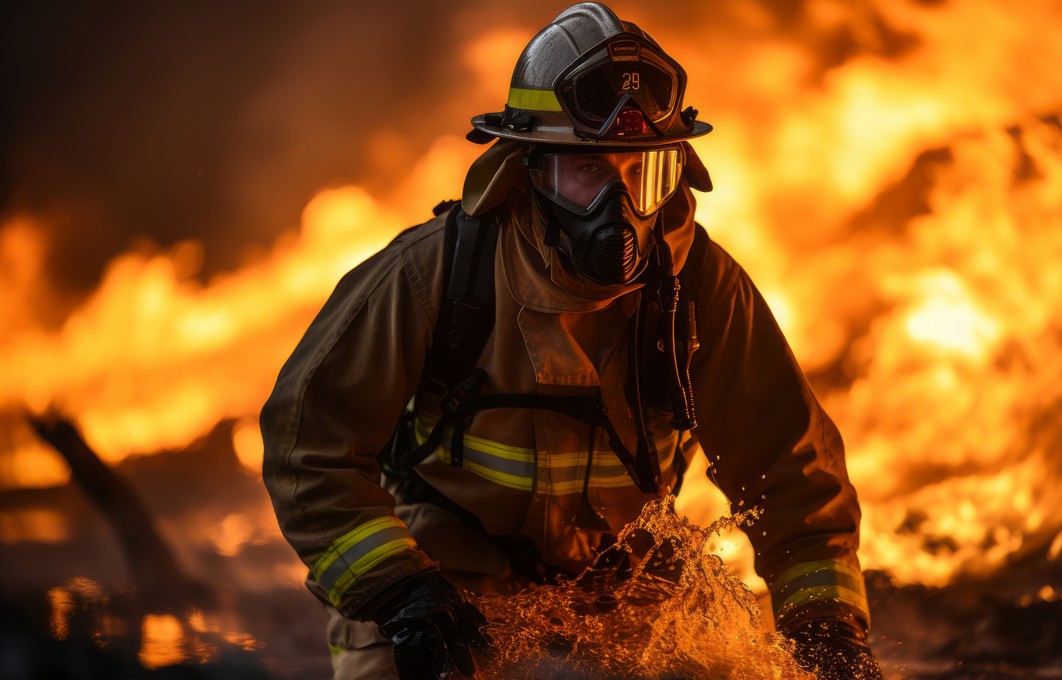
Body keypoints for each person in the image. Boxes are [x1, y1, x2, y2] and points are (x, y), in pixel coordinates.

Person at [261, 3, 881, 679]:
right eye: (586, 172)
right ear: (531, 168)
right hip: (443, 587)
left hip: (623, 601)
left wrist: (831, 638)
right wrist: (399, 590)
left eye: (641, 174)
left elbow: (792, 475)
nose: (617, 208)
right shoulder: (435, 276)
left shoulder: (699, 288)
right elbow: (308, 444)